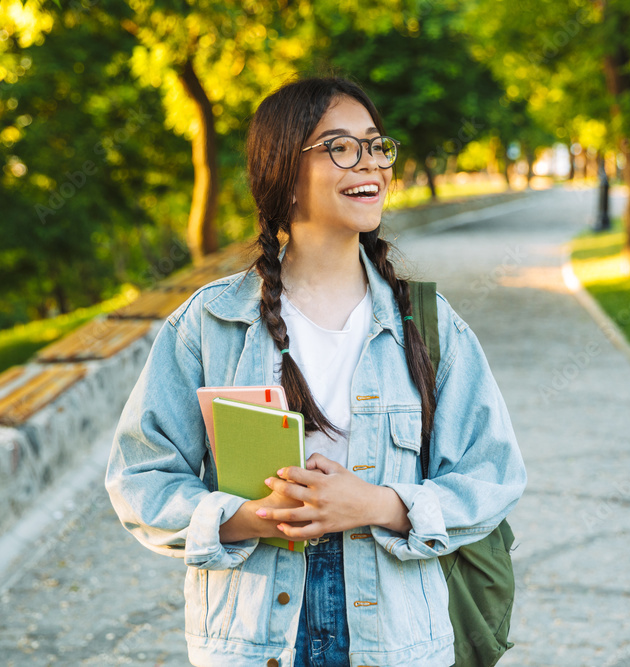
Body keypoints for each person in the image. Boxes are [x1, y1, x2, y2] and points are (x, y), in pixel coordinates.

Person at [105, 76, 526, 667]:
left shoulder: (427, 325)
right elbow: (138, 477)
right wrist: (249, 519)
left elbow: (493, 474)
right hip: (254, 635)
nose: (370, 164)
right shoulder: (211, 322)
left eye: (376, 145)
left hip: (394, 632)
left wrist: (377, 505)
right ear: (285, 177)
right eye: (340, 147)